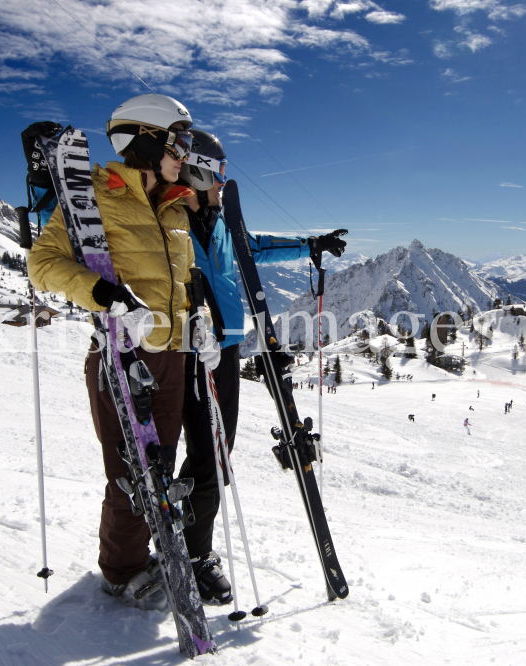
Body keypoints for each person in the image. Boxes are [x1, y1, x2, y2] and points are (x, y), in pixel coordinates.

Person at [28, 94, 216, 612]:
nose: (185, 152)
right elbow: (42, 264)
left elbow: (179, 284)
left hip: (173, 356)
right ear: (145, 140)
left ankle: (150, 551)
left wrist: (195, 323)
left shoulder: (176, 207)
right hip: (120, 355)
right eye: (177, 141)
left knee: (163, 464)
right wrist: (103, 294)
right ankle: (121, 570)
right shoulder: (97, 196)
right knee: (129, 468)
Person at [175, 128, 347, 604]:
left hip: (225, 350)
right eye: (219, 171)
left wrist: (308, 245)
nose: (223, 179)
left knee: (216, 450)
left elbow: (257, 249)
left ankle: (183, 535)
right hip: (188, 351)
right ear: (198, 170)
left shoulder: (221, 223)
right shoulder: (171, 224)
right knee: (208, 454)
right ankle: (193, 555)